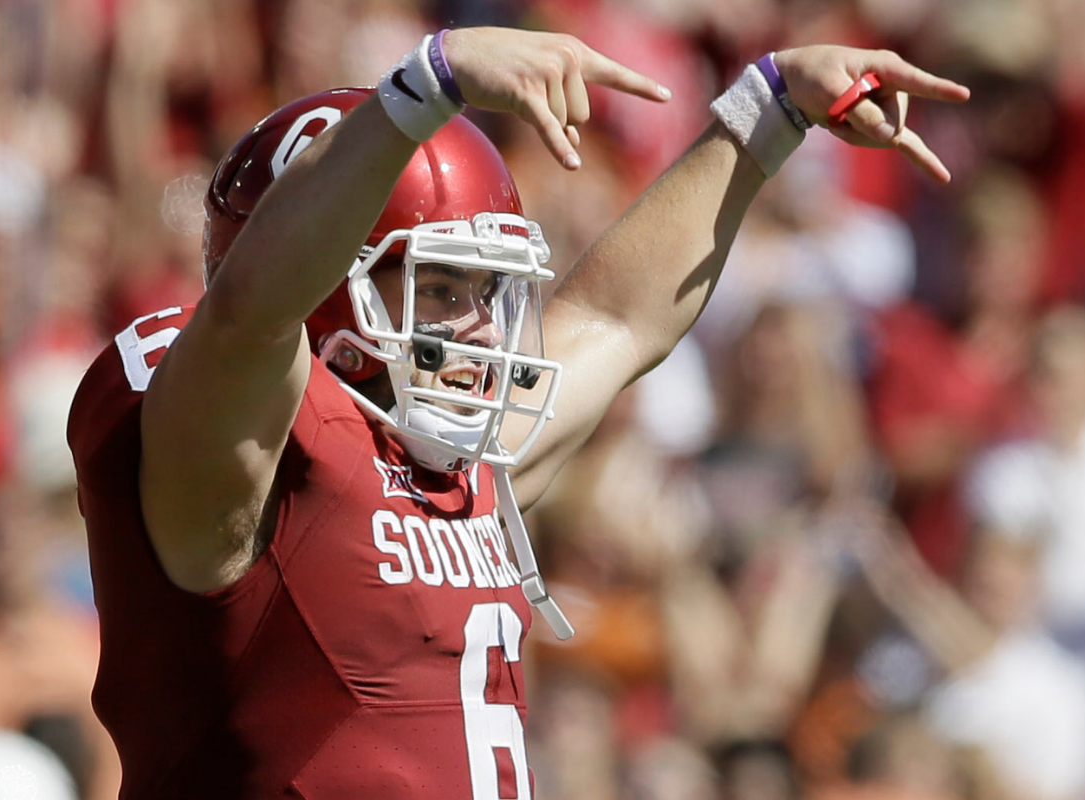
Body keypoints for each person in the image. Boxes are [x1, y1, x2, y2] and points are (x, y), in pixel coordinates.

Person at [67, 26, 968, 798]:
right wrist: (421, 90)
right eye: (441, 286)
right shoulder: (235, 457)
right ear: (326, 281)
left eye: (485, 291)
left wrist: (770, 110)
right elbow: (247, 322)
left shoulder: (461, 465)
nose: (476, 326)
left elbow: (619, 315)